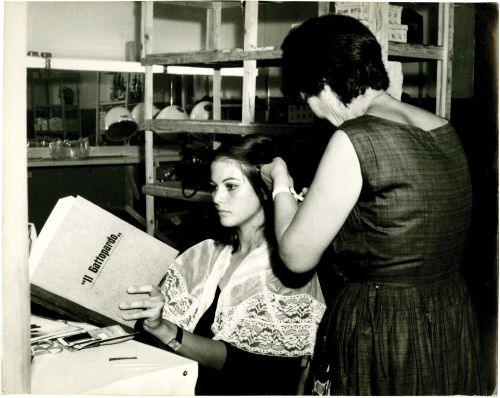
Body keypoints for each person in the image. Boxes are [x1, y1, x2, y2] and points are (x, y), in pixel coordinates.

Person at [259, 14, 485, 396]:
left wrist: (281, 185)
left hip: (382, 324)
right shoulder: (442, 127)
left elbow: (296, 257)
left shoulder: (354, 138)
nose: (315, 111)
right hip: (447, 312)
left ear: (323, 83)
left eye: (309, 98)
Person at [120, 135, 326, 395]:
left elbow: (246, 367)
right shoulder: (205, 255)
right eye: (214, 186)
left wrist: (164, 329)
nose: (217, 198)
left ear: (265, 190)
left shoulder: (286, 271)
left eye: (230, 186)